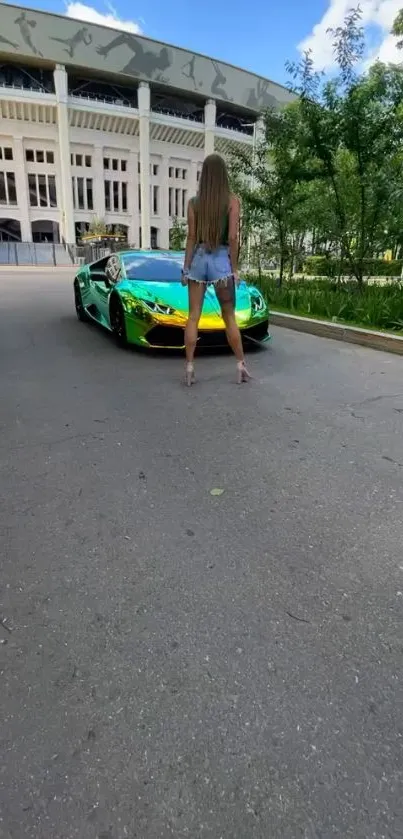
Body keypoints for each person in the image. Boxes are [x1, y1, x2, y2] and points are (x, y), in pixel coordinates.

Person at [181, 153, 251, 386]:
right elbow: (232, 237)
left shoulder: (193, 203)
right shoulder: (232, 201)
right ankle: (240, 365)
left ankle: (190, 369)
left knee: (193, 317)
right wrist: (235, 268)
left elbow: (191, 237)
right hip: (221, 261)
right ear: (223, 175)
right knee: (229, 317)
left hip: (199, 259)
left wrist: (186, 268)